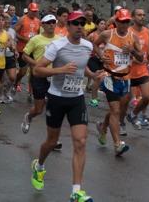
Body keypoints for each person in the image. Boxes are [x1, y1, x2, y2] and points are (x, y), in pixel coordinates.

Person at [31, 10, 100, 202]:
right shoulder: (57, 46)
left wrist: (93, 75)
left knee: (81, 141)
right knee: (51, 142)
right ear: (68, 26)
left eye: (82, 23)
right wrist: (60, 70)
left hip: (76, 99)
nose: (79, 26)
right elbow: (37, 70)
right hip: (57, 98)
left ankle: (76, 191)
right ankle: (39, 166)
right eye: (75, 23)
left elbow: (82, 66)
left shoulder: (87, 46)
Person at [94, 9, 142, 155]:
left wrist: (132, 51)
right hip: (109, 76)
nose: (124, 24)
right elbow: (95, 45)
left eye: (127, 22)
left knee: (117, 110)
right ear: (116, 22)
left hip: (126, 78)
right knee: (115, 111)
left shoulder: (133, 37)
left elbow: (141, 58)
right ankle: (117, 144)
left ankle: (103, 128)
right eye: (121, 22)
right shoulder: (107, 34)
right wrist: (102, 55)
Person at [21, 14, 59, 134]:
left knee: (54, 109)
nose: (51, 25)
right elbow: (24, 55)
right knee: (39, 109)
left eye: (53, 22)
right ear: (42, 25)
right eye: (48, 23)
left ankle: (53, 138)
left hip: (54, 77)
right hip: (39, 77)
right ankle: (28, 117)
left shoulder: (60, 39)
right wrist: (37, 64)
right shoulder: (35, 39)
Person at [122, 9, 149, 129]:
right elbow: (123, 52)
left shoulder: (147, 32)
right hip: (128, 71)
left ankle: (133, 114)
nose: (142, 17)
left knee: (147, 97)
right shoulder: (128, 32)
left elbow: (146, 50)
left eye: (144, 15)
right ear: (133, 18)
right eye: (139, 15)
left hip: (142, 70)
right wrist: (135, 58)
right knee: (124, 102)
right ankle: (120, 123)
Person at [14, 2, 41, 94]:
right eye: (33, 11)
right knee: (23, 72)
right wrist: (24, 39)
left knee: (33, 71)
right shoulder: (22, 19)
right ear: (28, 10)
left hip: (34, 50)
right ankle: (17, 80)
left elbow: (39, 34)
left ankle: (31, 90)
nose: (34, 13)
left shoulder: (38, 21)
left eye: (36, 11)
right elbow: (15, 33)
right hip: (23, 49)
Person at [86, 19, 107, 108]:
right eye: (101, 23)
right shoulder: (92, 35)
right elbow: (86, 46)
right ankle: (94, 99)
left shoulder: (106, 36)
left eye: (104, 24)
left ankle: (95, 94)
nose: (103, 25)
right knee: (98, 78)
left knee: (103, 78)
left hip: (103, 60)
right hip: (93, 58)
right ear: (97, 25)